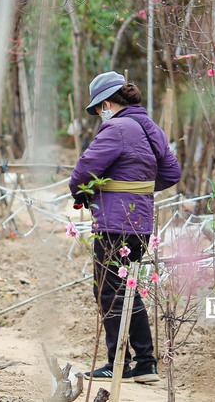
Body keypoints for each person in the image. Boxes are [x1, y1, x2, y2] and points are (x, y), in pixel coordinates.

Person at [71, 71, 181, 384]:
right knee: (126, 289)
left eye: (98, 109)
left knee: (108, 291)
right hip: (140, 223)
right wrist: (136, 189)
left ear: (106, 102)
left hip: (114, 224)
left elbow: (81, 174)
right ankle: (145, 363)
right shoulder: (150, 126)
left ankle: (116, 362)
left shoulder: (115, 127)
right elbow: (172, 172)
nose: (99, 115)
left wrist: (87, 195)